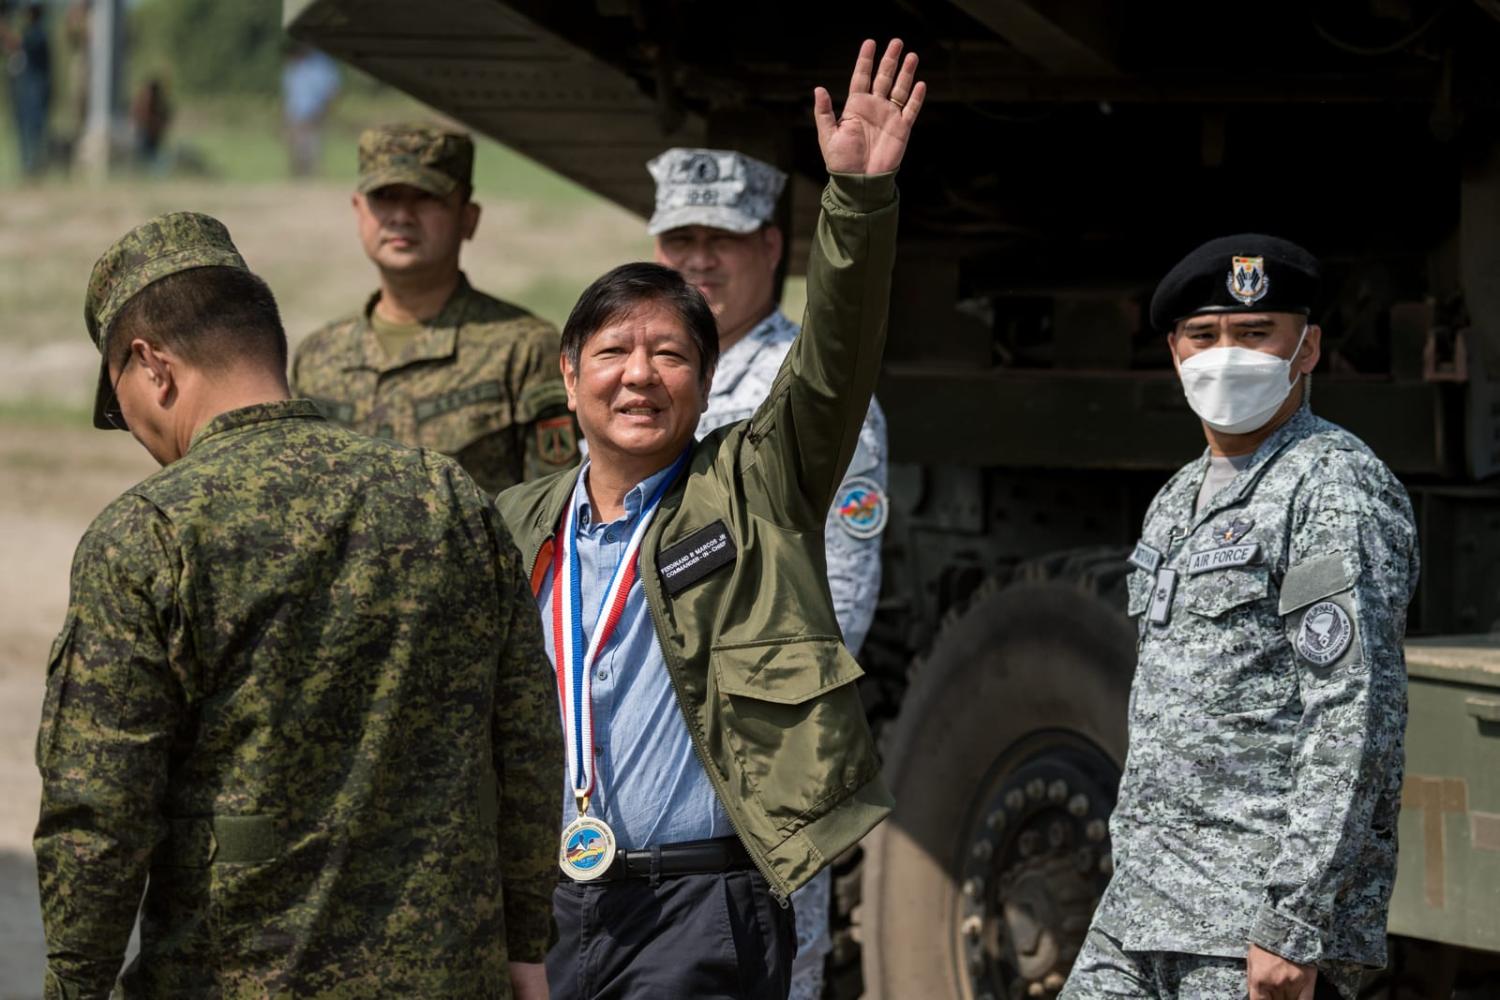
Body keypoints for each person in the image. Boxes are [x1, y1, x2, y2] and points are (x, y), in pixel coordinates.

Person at [34, 211, 562, 999]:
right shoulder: (446, 497)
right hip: (452, 973)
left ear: (152, 366)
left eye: (120, 404)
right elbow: (525, 741)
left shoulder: (151, 535)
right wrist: (525, 944)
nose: (136, 433)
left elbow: (99, 815)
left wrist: (75, 986)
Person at [497, 38, 925, 999]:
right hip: (551, 902)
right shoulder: (521, 521)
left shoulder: (748, 480)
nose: (639, 374)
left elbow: (834, 367)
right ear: (568, 378)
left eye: (667, 356)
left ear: (702, 386)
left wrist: (855, 202)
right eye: (612, 353)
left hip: (700, 903)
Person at [1061, 236, 1419, 1000]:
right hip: (1139, 911)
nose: (1227, 356)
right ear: (1174, 352)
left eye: (1255, 335)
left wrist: (1295, 923)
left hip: (1249, 928)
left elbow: (1354, 716)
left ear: (1308, 347)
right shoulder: (1177, 499)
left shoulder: (1333, 486)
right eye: (1205, 336)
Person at [647, 144, 890, 998]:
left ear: (772, 247)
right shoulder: (644, 380)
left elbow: (843, 598)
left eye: (725, 235)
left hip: (753, 766)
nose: (700, 258)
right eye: (682, 239)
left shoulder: (812, 392)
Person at [292, 123, 580, 494]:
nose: (402, 216)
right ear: (358, 210)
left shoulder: (522, 349)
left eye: (425, 198)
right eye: (385, 197)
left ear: (468, 217)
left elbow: (551, 506)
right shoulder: (318, 356)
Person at [281, 43, 339, 177]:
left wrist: (324, 109)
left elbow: (331, 89)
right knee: (294, 144)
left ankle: (311, 175)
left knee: (312, 144)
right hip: (294, 113)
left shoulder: (322, 64)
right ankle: (298, 175)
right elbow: (289, 93)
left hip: (315, 112)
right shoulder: (293, 65)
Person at [6, 3, 51, 177]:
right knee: (25, 128)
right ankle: (28, 165)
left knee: (34, 129)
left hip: (35, 90)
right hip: (27, 89)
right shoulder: (31, 32)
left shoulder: (38, 33)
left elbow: (17, 43)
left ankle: (35, 165)